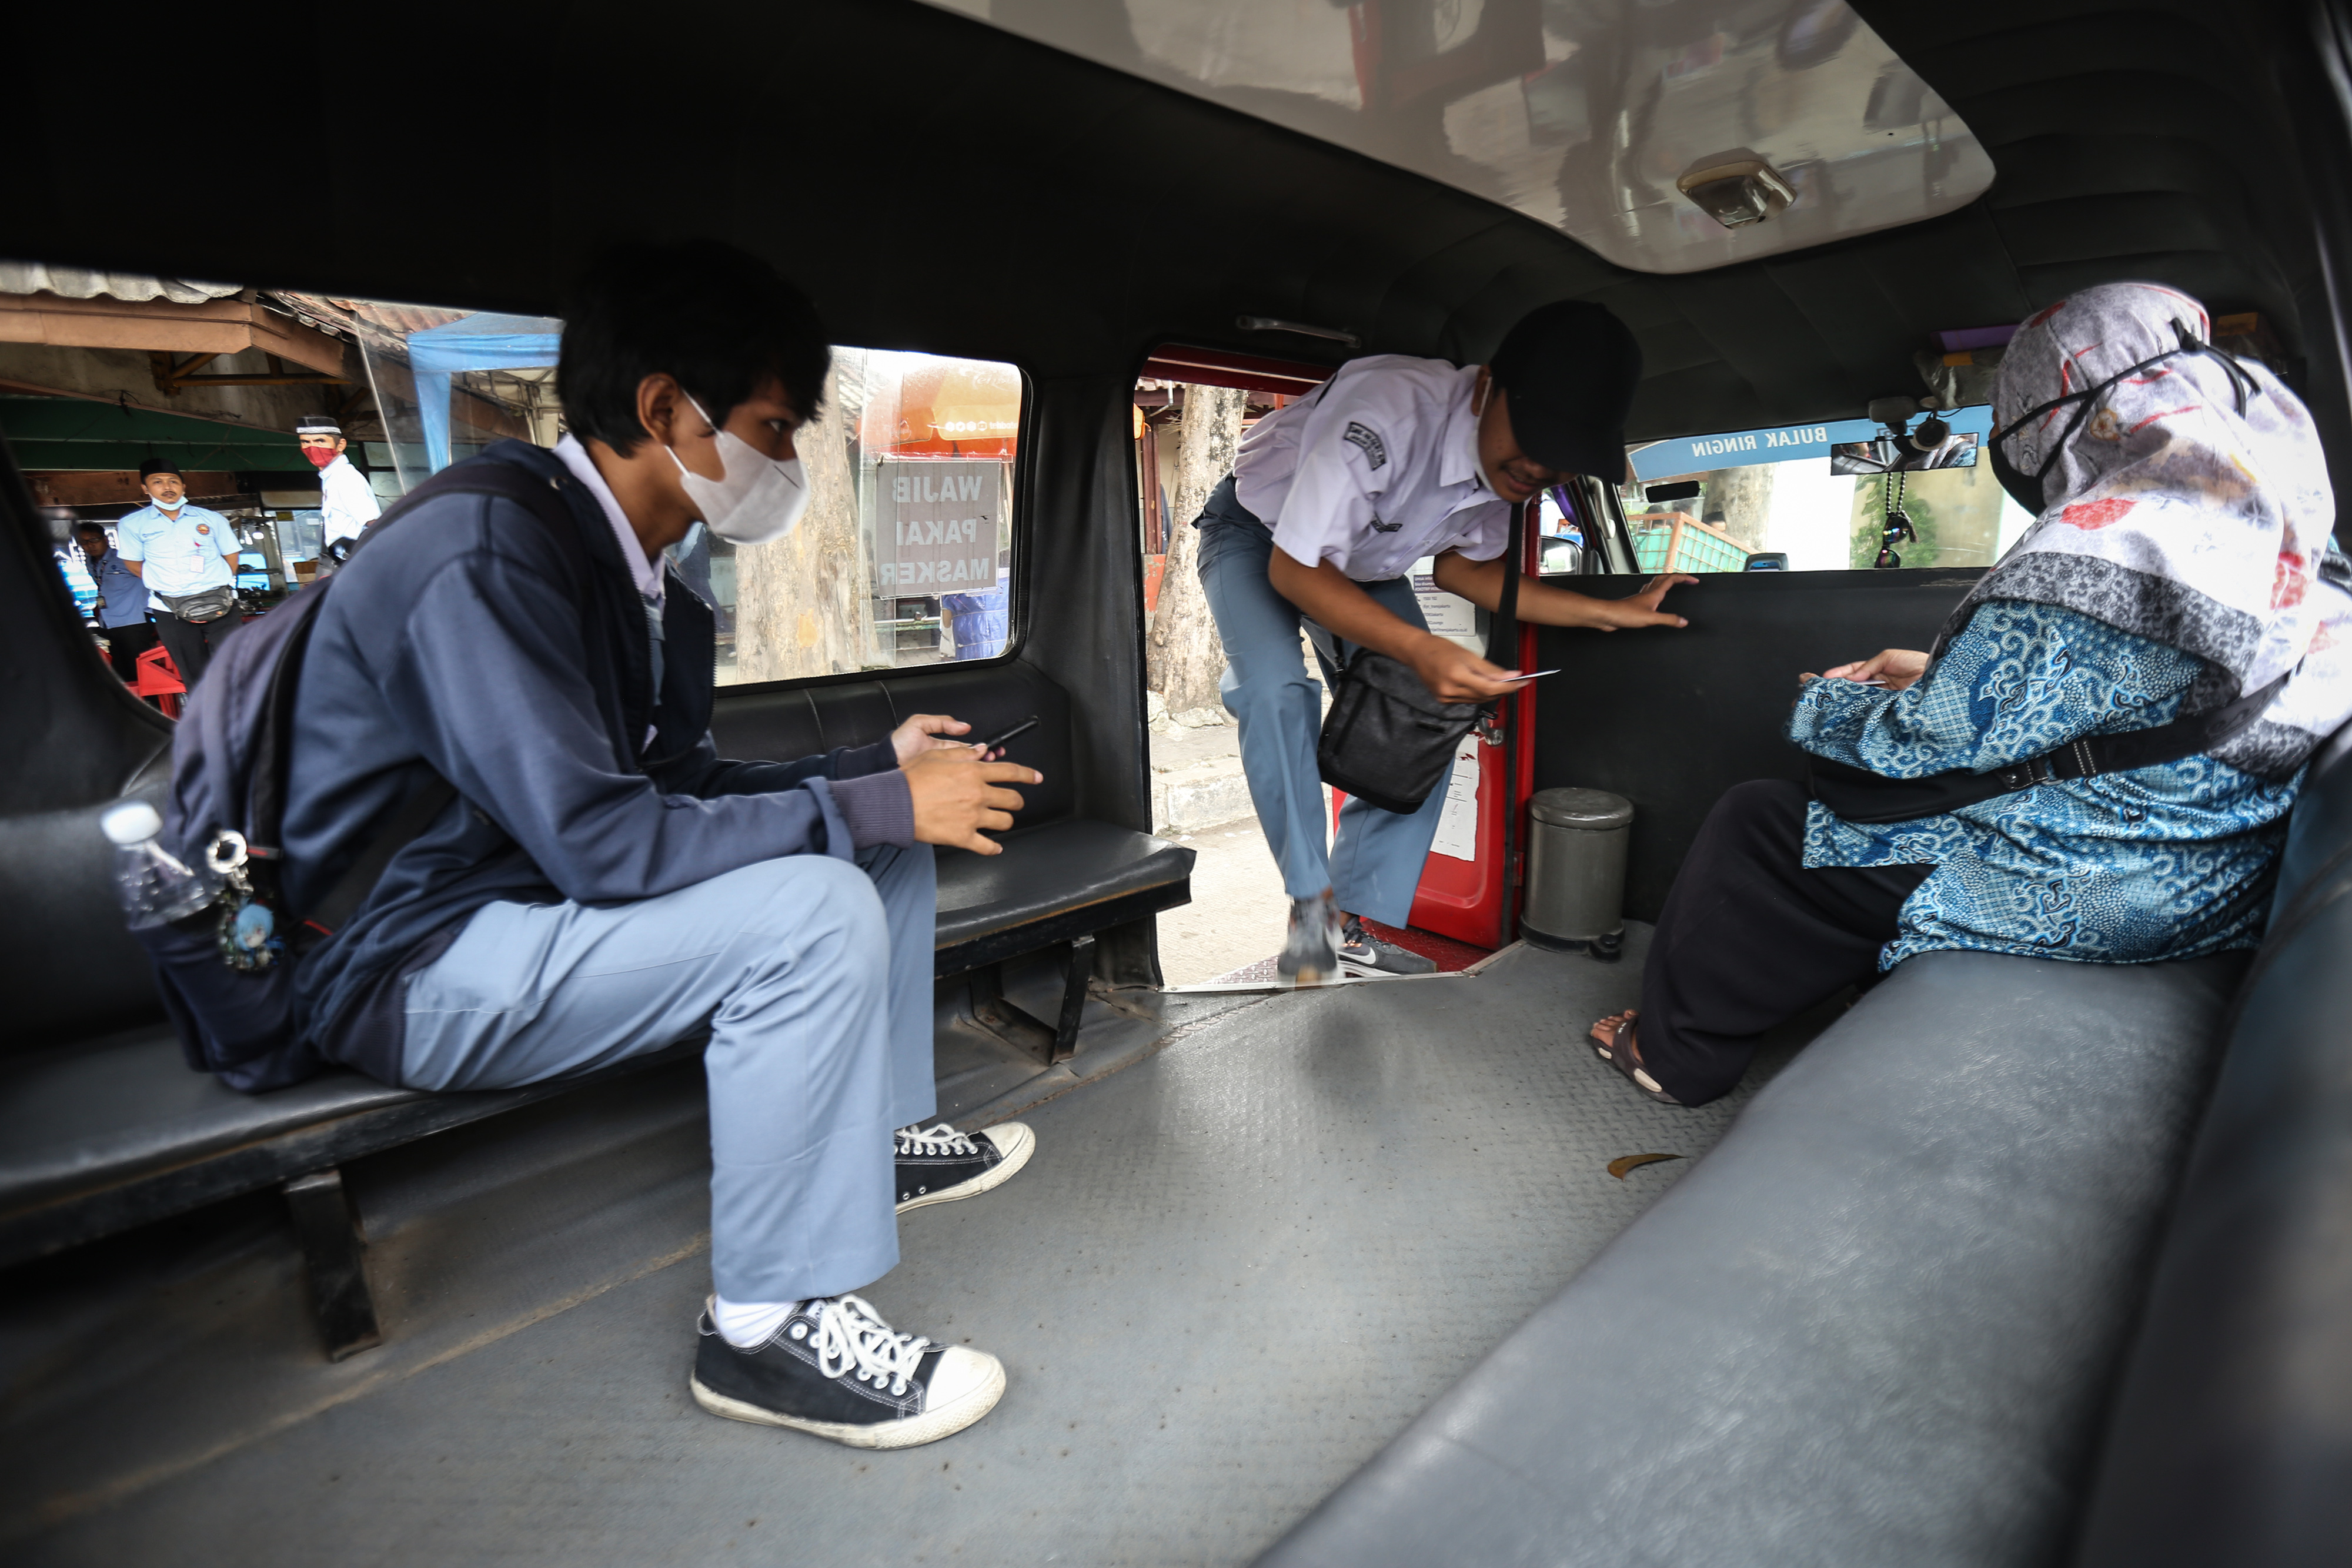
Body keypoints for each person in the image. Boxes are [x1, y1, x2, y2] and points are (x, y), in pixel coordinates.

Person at [281, 240, 1044, 1449]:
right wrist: (868, 803)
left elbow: (677, 787)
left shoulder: (652, 587)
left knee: (875, 847)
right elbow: (603, 843)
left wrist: (874, 779)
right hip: (401, 960)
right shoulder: (483, 556)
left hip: (523, 902)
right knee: (812, 909)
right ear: (661, 408)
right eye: (773, 426)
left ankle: (877, 1139)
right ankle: (764, 1329)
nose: (786, 461)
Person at [1589, 282, 2352, 1107]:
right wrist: (1935, 668)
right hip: (2211, 877)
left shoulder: (2103, 552)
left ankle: (1674, 1053)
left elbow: (1921, 744)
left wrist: (1822, 701)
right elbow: (2139, 704)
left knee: (1765, 821)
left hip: (2099, 889)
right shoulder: (2294, 545)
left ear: (2060, 413)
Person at [1194, 300, 1695, 982]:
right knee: (1276, 691)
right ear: (1486, 387)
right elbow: (1296, 567)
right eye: (1539, 435)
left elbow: (1464, 570)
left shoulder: (1511, 470)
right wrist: (1423, 650)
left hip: (1361, 566)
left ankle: (1350, 928)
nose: (1543, 468)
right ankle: (1311, 908)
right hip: (1257, 533)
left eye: (1567, 459)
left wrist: (1611, 613)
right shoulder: (1388, 412)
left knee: (1422, 719)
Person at [113, 457, 240, 688]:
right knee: (194, 675)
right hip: (169, 610)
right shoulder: (132, 525)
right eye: (158, 482)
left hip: (221, 604)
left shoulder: (211, 519)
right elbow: (133, 565)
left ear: (184, 486)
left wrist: (209, 583)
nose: (167, 487)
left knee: (237, 668)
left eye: (173, 481)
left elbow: (231, 557)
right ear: (145, 489)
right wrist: (169, 582)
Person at [74, 521, 160, 691]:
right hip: (109, 623)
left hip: (134, 622)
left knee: (141, 671)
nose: (90, 546)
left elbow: (154, 580)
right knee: (122, 672)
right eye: (83, 542)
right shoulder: (91, 563)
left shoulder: (126, 559)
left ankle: (154, 710)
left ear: (105, 539)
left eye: (94, 540)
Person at [297, 413, 380, 549]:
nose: (312, 447)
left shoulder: (345, 478)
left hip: (353, 559)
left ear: (340, 445)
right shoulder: (331, 478)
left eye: (320, 441)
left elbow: (374, 524)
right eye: (306, 442)